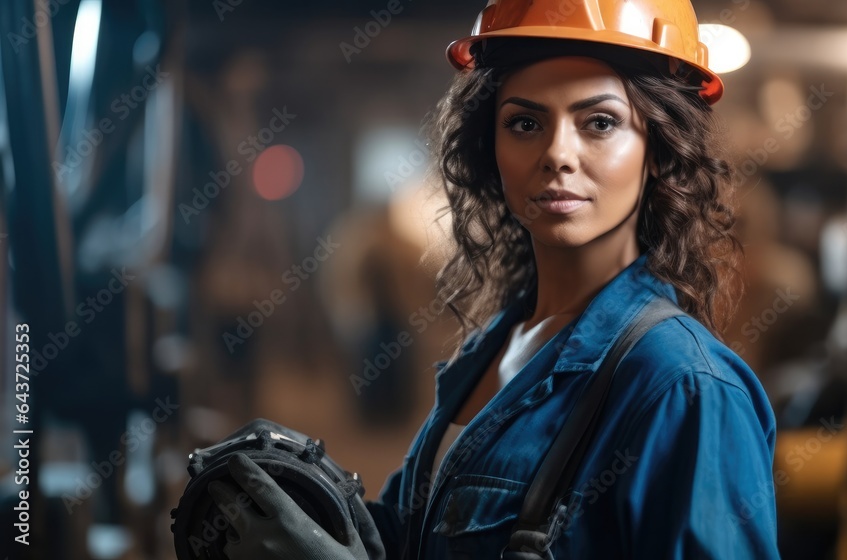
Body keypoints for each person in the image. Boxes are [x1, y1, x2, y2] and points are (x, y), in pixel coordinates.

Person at [207, 0, 779, 558]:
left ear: (657, 149)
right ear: (491, 148)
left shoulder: (683, 389)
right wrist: (309, 497)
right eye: (525, 122)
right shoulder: (493, 349)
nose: (558, 153)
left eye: (599, 122)